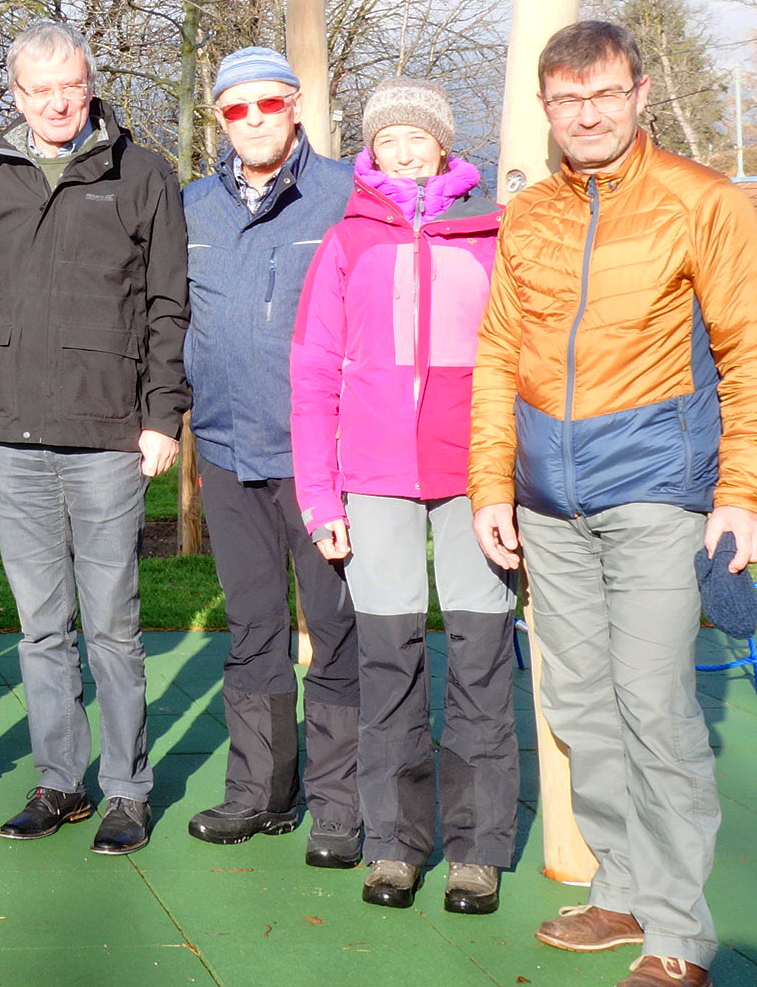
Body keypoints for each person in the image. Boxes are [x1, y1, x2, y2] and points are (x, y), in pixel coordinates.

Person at [471, 21, 757, 987]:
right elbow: (497, 354)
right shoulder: (527, 215)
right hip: (547, 502)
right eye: (568, 100)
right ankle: (622, 887)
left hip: (656, 489)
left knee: (652, 705)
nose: (588, 115)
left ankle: (677, 935)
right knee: (578, 705)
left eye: (604, 94)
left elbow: (751, 351)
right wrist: (490, 482)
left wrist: (743, 492)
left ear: (640, 93)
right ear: (545, 108)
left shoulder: (702, 201)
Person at [0, 19, 189, 856]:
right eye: (40, 90)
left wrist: (160, 416)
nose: (58, 103)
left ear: (89, 87)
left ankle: (127, 791)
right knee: (41, 629)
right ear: (16, 96)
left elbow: (167, 304)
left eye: (70, 86)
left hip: (108, 436)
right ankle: (59, 782)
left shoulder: (141, 173)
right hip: (14, 437)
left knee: (112, 628)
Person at [291, 77, 515, 914]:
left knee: (480, 661)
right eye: (386, 139)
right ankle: (391, 844)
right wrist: (321, 498)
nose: (402, 151)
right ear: (370, 152)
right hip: (373, 479)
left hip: (474, 478)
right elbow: (312, 371)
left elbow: (518, 361)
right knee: (387, 662)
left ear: (444, 145)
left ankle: (476, 851)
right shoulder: (347, 240)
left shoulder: (491, 232)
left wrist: (510, 482)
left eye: (416, 136)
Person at [173, 47, 363, 867]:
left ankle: (340, 807)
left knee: (335, 627)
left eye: (266, 104)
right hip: (225, 450)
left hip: (323, 460)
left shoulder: (346, 195)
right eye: (234, 108)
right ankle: (259, 792)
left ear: (293, 106)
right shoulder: (191, 207)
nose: (251, 120)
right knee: (252, 628)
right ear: (219, 118)